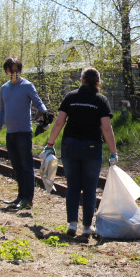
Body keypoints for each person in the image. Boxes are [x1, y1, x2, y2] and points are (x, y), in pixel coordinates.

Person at [43, 67, 118, 236]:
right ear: (98, 82)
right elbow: (106, 128)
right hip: (92, 147)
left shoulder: (71, 97)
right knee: (90, 188)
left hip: (70, 145)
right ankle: (86, 227)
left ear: (82, 80)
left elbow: (59, 122)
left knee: (73, 186)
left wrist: (50, 143)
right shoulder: (101, 100)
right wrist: (113, 152)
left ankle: (72, 224)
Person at [0, 57, 48, 210]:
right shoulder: (4, 88)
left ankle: (27, 199)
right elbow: (2, 111)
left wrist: (45, 115)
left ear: (19, 70)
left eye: (15, 70)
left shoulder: (27, 85)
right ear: (6, 71)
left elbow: (38, 102)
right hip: (10, 133)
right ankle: (20, 196)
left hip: (24, 132)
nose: (13, 73)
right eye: (10, 71)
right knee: (16, 166)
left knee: (26, 166)